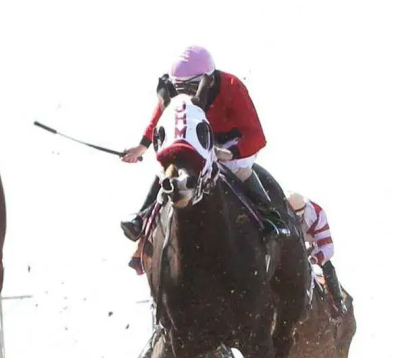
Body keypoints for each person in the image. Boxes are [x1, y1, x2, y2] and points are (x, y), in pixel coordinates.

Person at [120, 46, 290, 241]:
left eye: (192, 87)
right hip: (197, 140)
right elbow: (160, 118)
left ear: (208, 80)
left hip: (229, 143)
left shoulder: (233, 86)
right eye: (180, 88)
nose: (185, 94)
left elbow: (256, 136)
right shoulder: (171, 90)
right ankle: (142, 218)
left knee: (237, 168)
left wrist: (231, 153)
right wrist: (140, 148)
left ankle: (269, 216)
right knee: (170, 167)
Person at [287, 194, 346, 311]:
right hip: (294, 239)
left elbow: (328, 247)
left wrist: (315, 258)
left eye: (299, 217)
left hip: (313, 240)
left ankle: (338, 301)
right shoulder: (283, 210)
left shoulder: (317, 214)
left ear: (304, 212)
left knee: (326, 264)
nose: (297, 220)